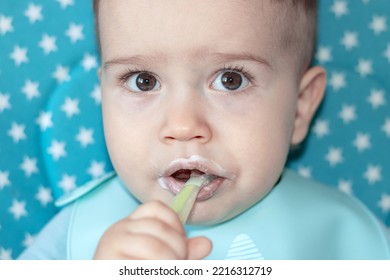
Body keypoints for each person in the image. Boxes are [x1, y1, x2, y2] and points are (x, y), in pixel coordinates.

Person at [18, 0, 390, 260]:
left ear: (299, 108)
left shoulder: (346, 237)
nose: (183, 125)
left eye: (231, 80)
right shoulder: (76, 237)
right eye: (143, 81)